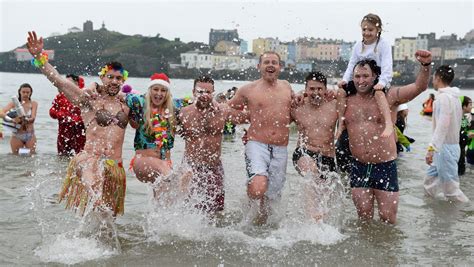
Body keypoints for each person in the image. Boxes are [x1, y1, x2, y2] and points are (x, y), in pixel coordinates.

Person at [26, 31, 129, 216]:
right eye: (110, 77)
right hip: (90, 160)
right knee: (95, 195)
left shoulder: (127, 105)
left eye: (118, 78)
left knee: (107, 219)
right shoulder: (89, 100)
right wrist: (38, 57)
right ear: (102, 77)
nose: (114, 81)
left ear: (123, 81)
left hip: (115, 167)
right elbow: (58, 81)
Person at [344, 50, 433, 224]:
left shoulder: (389, 96)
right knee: (363, 219)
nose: (361, 81)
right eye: (357, 76)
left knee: (388, 219)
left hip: (384, 166)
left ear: (375, 76)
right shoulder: (347, 99)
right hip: (359, 166)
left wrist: (425, 66)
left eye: (365, 76)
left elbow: (419, 87)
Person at [226, 51, 294, 224]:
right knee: (258, 188)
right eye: (266, 62)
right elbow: (228, 109)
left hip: (281, 148)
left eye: (274, 62)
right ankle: (249, 203)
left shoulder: (286, 87)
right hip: (257, 144)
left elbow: (294, 109)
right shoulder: (248, 89)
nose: (270, 65)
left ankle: (259, 226)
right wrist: (244, 119)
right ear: (259, 67)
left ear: (280, 67)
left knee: (272, 198)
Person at [178, 75, 248, 215]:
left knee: (216, 212)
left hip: (214, 168)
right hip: (190, 167)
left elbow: (247, 117)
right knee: (188, 210)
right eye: (200, 92)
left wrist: (249, 133)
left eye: (208, 92)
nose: (204, 96)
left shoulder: (222, 111)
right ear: (193, 92)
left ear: (213, 93)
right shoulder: (183, 113)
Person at [291, 71, 343, 221]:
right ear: (306, 89)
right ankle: (312, 213)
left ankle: (317, 225)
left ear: (326, 89)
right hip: (304, 152)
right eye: (311, 89)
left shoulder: (334, 105)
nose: (316, 92)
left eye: (319, 89)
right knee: (312, 172)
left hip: (328, 156)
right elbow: (278, 120)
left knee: (326, 199)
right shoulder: (297, 106)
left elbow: (346, 94)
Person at [338, 13, 394, 139]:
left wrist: (382, 83)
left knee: (379, 93)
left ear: (378, 30)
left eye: (370, 29)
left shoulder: (383, 44)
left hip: (378, 77)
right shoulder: (358, 46)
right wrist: (345, 80)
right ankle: (341, 123)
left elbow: (387, 65)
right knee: (341, 92)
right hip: (361, 77)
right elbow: (351, 65)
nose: (367, 33)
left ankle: (388, 124)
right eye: (364, 29)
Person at [126, 73, 176, 194]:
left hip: (165, 163)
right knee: (169, 175)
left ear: (167, 93)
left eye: (163, 90)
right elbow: (118, 95)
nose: (159, 93)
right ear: (150, 90)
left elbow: (196, 103)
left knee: (163, 202)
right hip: (143, 161)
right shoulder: (140, 103)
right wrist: (93, 86)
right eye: (156, 89)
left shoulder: (173, 109)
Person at [424, 65, 468, 202]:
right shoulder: (455, 98)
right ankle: (429, 211)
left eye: (433, 77)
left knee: (451, 190)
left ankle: (466, 213)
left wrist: (431, 148)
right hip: (448, 147)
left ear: (438, 77)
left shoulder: (444, 98)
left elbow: (443, 125)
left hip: (444, 148)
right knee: (429, 183)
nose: (432, 81)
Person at [49, 74, 86, 156]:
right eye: (65, 82)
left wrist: (75, 118)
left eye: (68, 82)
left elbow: (89, 114)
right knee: (62, 157)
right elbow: (52, 111)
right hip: (63, 133)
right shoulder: (60, 96)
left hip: (79, 133)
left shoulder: (83, 97)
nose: (65, 84)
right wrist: (59, 114)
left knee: (80, 156)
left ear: (77, 83)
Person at [1, 83, 38, 155]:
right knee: (16, 158)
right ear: (19, 92)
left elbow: (33, 118)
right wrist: (12, 120)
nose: (25, 94)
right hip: (17, 135)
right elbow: (1, 113)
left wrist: (26, 119)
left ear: (31, 93)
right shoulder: (13, 103)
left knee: (31, 157)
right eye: (23, 92)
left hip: (30, 134)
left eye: (28, 92)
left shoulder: (33, 103)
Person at [458, 96, 472, 175]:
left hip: (462, 151)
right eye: (470, 104)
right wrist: (467, 136)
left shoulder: (465, 119)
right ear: (463, 106)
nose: (472, 106)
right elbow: (455, 137)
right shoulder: (457, 118)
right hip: (456, 151)